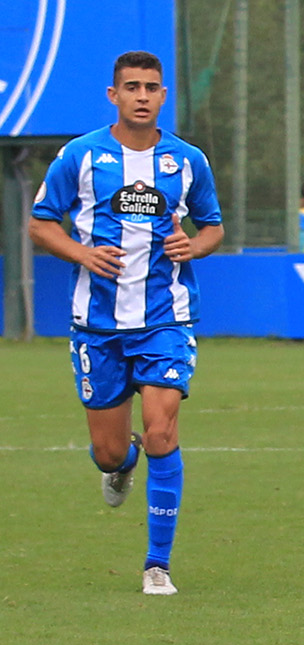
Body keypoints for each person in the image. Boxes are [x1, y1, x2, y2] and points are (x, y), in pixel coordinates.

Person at [28, 50, 223, 596]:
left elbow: (212, 227)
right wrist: (82, 254)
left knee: (163, 429)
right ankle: (122, 463)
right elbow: (41, 224)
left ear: (164, 97)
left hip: (166, 317)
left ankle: (156, 564)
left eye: (152, 87)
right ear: (113, 96)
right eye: (132, 87)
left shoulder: (188, 161)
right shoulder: (80, 156)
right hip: (97, 322)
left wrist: (196, 244)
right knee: (109, 451)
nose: (142, 95)